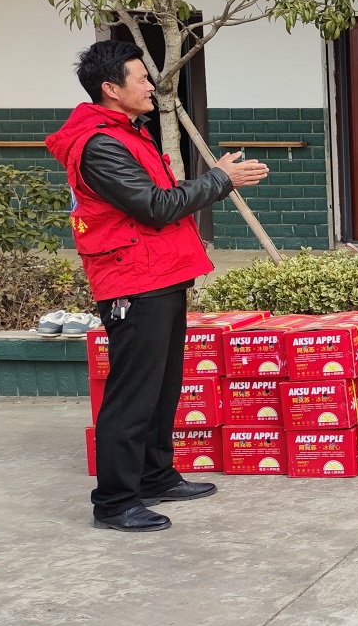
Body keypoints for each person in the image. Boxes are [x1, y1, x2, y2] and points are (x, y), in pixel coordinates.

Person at [46, 41, 268, 532]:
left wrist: (218, 179)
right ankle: (114, 502)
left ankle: (155, 475)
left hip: (158, 272)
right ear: (111, 89)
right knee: (132, 394)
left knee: (163, 387)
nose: (151, 85)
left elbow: (161, 197)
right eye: (141, 78)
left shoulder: (129, 132)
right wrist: (221, 179)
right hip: (132, 279)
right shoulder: (100, 145)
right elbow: (156, 206)